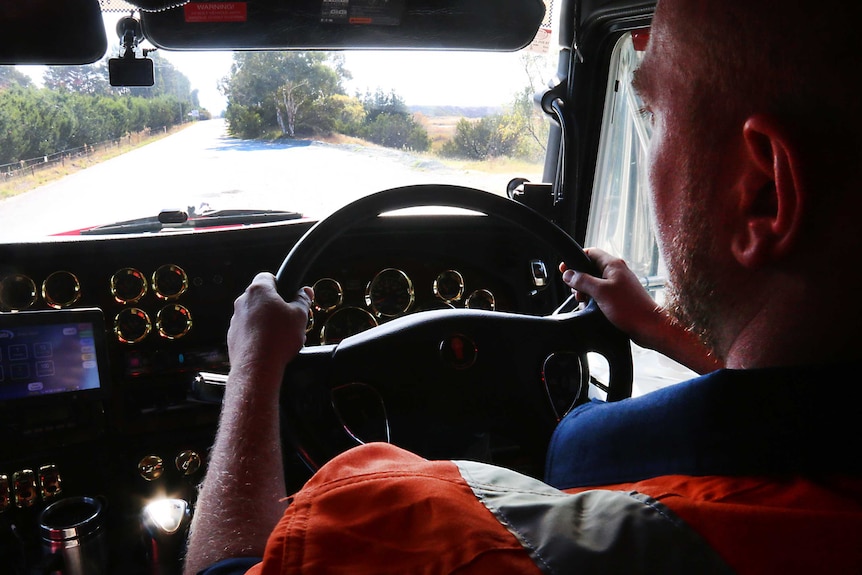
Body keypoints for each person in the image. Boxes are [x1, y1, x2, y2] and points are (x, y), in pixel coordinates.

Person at [183, 0, 862, 573]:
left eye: (651, 118)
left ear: (764, 194)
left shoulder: (436, 538)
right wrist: (653, 325)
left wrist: (256, 368)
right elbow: (801, 407)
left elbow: (226, 568)